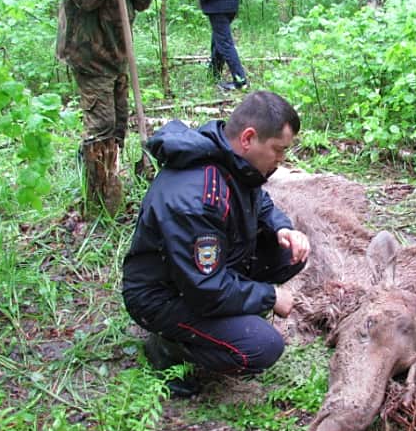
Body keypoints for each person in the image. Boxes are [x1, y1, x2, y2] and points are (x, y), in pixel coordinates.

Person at [122, 91, 309, 396]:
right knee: (261, 347)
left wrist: (282, 228)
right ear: (248, 138)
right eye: (278, 150)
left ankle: (225, 320)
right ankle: (167, 348)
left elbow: (258, 199)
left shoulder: (229, 158)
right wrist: (268, 296)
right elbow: (206, 288)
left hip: (196, 278)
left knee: (290, 253)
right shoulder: (197, 198)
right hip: (162, 295)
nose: (281, 159)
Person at [56, 0, 153, 212]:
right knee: (102, 126)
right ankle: (96, 197)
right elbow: (86, 0)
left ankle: (111, 184)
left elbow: (143, 1)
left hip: (118, 53)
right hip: (89, 55)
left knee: (119, 124)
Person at [199, 0, 248, 90]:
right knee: (219, 40)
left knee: (225, 44)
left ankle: (241, 81)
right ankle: (214, 74)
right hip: (230, 5)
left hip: (218, 6)